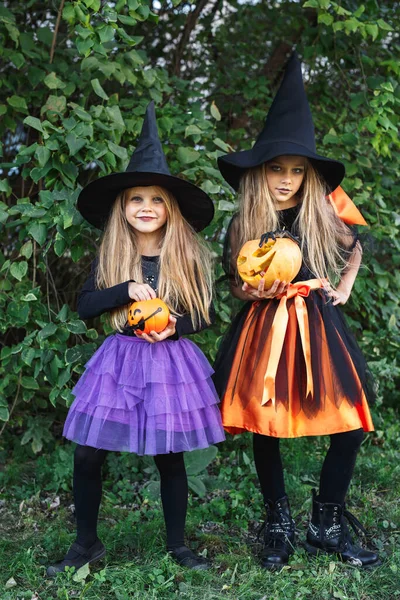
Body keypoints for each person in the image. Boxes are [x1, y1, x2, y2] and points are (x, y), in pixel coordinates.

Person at [213, 52, 380, 569]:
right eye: (276, 169)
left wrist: (345, 285)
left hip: (316, 324)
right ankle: (278, 522)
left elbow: (358, 243)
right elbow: (234, 282)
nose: (285, 179)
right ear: (261, 172)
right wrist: (251, 293)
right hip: (264, 329)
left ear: (308, 174)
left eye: (296, 170)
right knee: (265, 425)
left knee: (351, 420)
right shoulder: (245, 220)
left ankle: (326, 522)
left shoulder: (322, 209)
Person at [46, 101, 225, 576]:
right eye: (136, 200)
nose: (146, 208)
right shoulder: (110, 253)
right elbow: (85, 306)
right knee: (88, 454)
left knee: (170, 455)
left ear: (170, 210)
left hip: (169, 361)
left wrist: (175, 327)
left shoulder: (184, 255)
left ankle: (177, 545)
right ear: (123, 209)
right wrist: (122, 290)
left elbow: (206, 314)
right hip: (119, 361)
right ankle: (86, 545)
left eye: (156, 200)